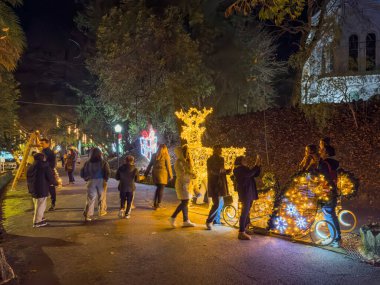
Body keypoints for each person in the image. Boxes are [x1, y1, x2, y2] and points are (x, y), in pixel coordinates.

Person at [301, 144, 341, 248]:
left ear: (326, 153)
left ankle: (335, 239)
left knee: (329, 214)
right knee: (331, 214)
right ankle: (336, 238)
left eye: (322, 150)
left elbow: (322, 177)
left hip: (327, 192)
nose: (320, 151)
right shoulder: (332, 163)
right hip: (331, 191)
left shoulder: (324, 164)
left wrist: (313, 176)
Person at [233, 155, 261, 240]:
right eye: (244, 159)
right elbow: (249, 174)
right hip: (245, 192)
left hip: (249, 192)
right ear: (240, 161)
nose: (246, 160)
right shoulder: (238, 169)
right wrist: (256, 165)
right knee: (245, 211)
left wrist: (258, 165)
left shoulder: (245, 168)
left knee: (247, 210)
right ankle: (241, 232)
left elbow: (255, 174)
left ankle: (245, 228)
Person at [27, 153, 58, 227]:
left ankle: (41, 218)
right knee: (41, 205)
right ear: (42, 158)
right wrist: (55, 183)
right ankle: (37, 222)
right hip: (42, 188)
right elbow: (50, 177)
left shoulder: (31, 167)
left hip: (33, 188)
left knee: (37, 204)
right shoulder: (44, 166)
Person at [169, 146, 196, 228]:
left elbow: (189, 172)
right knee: (185, 202)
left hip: (187, 184)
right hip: (181, 184)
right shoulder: (179, 162)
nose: (187, 154)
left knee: (185, 202)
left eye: (188, 152)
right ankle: (173, 217)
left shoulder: (186, 162)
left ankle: (186, 220)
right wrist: (191, 175)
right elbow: (182, 174)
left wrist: (192, 174)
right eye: (185, 152)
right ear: (181, 153)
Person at [80, 148, 110, 221]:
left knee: (90, 199)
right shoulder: (103, 162)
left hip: (91, 181)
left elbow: (82, 172)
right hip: (101, 181)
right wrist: (106, 179)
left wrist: (86, 178)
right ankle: (101, 211)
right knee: (102, 197)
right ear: (100, 154)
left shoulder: (87, 163)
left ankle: (88, 215)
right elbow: (107, 172)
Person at [205, 145, 230, 230]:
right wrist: (221, 172)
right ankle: (209, 221)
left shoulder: (221, 159)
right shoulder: (210, 160)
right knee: (216, 204)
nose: (221, 151)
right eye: (220, 149)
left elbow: (221, 170)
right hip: (215, 184)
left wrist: (226, 171)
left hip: (220, 184)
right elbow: (211, 171)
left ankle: (216, 220)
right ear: (215, 150)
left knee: (220, 203)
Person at [144, 144, 173, 209]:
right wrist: (170, 175)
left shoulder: (154, 155)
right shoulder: (166, 156)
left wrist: (145, 174)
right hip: (162, 174)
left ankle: (155, 204)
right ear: (165, 149)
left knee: (158, 189)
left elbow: (150, 165)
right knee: (161, 189)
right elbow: (168, 166)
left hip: (155, 174)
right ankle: (158, 204)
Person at [40, 138, 57, 211]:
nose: (41, 145)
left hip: (49, 172)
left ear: (47, 143)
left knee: (51, 188)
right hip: (43, 173)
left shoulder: (50, 152)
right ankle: (44, 205)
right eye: (41, 143)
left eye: (42, 143)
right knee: (44, 189)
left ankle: (53, 203)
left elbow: (52, 164)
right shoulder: (42, 151)